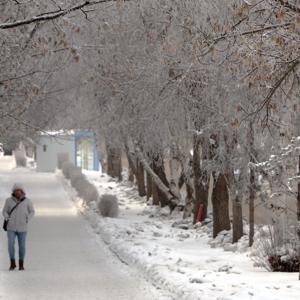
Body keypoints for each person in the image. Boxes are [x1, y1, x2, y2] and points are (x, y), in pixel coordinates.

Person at [2, 183, 35, 271]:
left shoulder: (27, 201)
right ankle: (12, 263)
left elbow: (32, 211)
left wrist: (27, 218)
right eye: (16, 190)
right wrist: (6, 217)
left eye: (19, 190)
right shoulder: (8, 201)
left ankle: (21, 264)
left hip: (22, 227)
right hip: (11, 227)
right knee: (10, 245)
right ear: (13, 191)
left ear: (22, 191)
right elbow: (4, 211)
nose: (17, 192)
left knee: (22, 246)